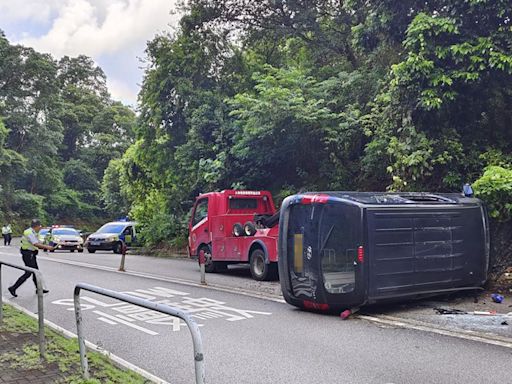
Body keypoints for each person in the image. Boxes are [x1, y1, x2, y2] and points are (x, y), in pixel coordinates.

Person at [8, 219, 54, 297]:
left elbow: (38, 242)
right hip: (28, 254)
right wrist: (47, 247)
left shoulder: (33, 232)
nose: (40, 228)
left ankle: (39, 289)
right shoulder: (29, 232)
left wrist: (45, 244)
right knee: (29, 273)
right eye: (40, 226)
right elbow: (35, 244)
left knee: (36, 272)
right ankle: (13, 288)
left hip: (31, 254)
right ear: (37, 226)